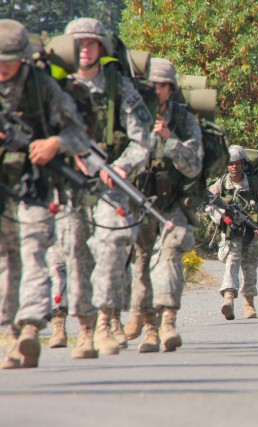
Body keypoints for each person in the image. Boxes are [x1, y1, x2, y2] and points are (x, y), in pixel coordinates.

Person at [0, 19, 89, 368]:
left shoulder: (43, 87)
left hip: (34, 183)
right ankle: (8, 335)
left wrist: (55, 143)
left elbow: (80, 135)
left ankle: (30, 328)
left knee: (34, 250)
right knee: (7, 260)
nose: (3, 65)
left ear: (22, 57)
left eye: (9, 58)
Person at [64, 17, 153, 355]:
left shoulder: (121, 89)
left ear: (101, 48)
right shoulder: (57, 89)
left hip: (110, 182)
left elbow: (141, 141)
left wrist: (120, 166)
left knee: (114, 244)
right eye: (77, 43)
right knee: (75, 252)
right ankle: (84, 330)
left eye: (89, 43)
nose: (83, 49)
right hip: (70, 185)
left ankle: (104, 320)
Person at [123, 58, 203, 353]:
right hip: (140, 204)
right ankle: (148, 327)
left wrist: (170, 140)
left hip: (173, 205)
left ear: (171, 88)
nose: (156, 90)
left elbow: (194, 166)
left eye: (162, 85)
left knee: (168, 257)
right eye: (151, 85)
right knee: (140, 264)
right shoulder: (132, 116)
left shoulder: (184, 120)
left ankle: (168, 322)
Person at [209, 145, 258, 320]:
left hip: (252, 234)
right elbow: (211, 205)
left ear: (243, 164)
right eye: (230, 164)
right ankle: (229, 299)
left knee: (250, 269)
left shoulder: (255, 185)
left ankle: (249, 303)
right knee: (232, 263)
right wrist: (222, 217)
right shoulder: (221, 183)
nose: (234, 167)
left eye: (237, 163)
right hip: (231, 233)